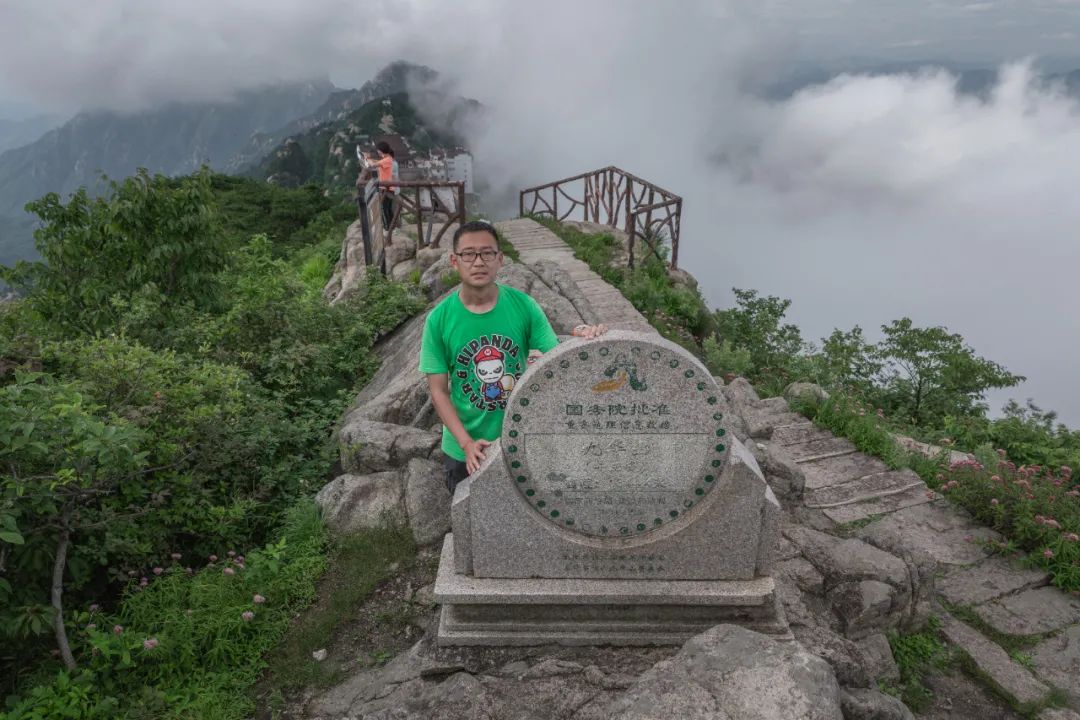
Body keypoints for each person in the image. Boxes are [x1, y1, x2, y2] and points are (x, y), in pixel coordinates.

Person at [419, 220, 607, 493]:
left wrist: (583, 339)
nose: (478, 261)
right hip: (463, 449)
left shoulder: (523, 306)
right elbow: (438, 392)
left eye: (487, 253)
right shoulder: (439, 320)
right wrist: (466, 444)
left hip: (517, 441)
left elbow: (555, 358)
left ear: (500, 260)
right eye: (469, 254)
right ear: (454, 261)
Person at [372, 141, 398, 229]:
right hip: (389, 187)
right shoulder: (388, 158)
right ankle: (392, 227)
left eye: (378, 150)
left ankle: (387, 228)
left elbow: (373, 165)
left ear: (381, 150)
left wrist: (367, 160)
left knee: (384, 208)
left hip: (386, 188)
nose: (377, 152)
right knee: (388, 208)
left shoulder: (386, 160)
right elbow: (378, 162)